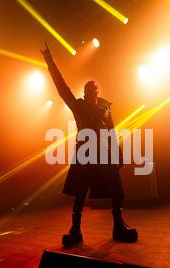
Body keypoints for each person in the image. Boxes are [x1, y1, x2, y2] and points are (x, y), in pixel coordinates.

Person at [40, 43, 138, 247]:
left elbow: (111, 131)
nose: (90, 91)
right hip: (85, 154)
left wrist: (118, 154)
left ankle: (118, 226)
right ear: (84, 93)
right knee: (79, 193)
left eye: (93, 88)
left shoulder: (106, 108)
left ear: (97, 91)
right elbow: (62, 88)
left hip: (104, 154)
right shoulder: (78, 106)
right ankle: (75, 229)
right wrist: (50, 62)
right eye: (87, 89)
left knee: (116, 191)